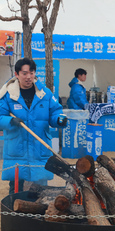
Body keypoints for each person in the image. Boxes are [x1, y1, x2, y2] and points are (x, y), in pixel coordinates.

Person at [0, 58, 67, 194]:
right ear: (16, 74)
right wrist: (10, 121)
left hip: (40, 149)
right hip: (16, 150)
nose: (28, 77)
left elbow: (55, 113)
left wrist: (59, 120)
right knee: (16, 191)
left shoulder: (45, 93)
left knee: (41, 190)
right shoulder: (8, 95)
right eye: (24, 73)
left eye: (31, 73)